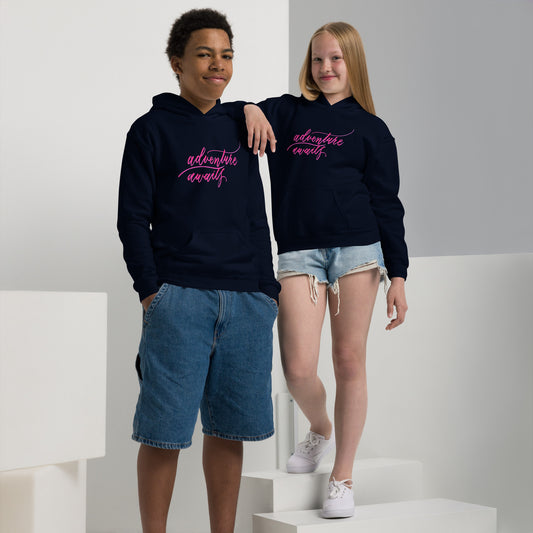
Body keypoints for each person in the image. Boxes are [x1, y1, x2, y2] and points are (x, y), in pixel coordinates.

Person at [117, 9, 280, 533]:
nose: (218, 65)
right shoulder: (149, 130)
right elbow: (132, 218)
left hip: (247, 299)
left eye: (226, 55)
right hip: (178, 298)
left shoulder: (241, 126)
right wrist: (151, 291)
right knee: (162, 434)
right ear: (177, 62)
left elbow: (256, 216)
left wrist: (267, 289)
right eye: (204, 54)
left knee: (228, 431)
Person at [244, 22, 408, 519]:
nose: (325, 68)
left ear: (352, 61)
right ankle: (320, 428)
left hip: (358, 252)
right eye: (317, 59)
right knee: (297, 368)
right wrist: (249, 107)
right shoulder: (286, 113)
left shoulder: (373, 130)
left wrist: (398, 275)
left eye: (335, 58)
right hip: (299, 253)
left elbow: (388, 204)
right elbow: (231, 115)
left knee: (348, 361)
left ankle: (343, 476)